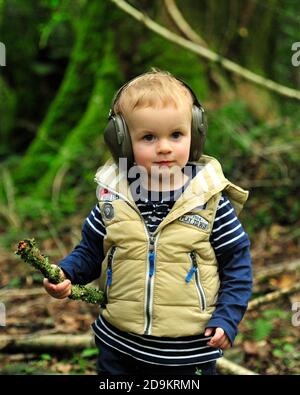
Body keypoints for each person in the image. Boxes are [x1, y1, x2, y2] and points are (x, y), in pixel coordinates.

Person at [43, 70, 252, 375]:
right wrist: (66, 273)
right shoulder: (113, 198)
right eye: (149, 137)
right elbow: (90, 251)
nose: (164, 147)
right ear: (122, 142)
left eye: (176, 135)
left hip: (188, 352)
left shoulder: (210, 201)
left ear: (196, 134)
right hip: (119, 346)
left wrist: (227, 318)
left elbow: (237, 264)